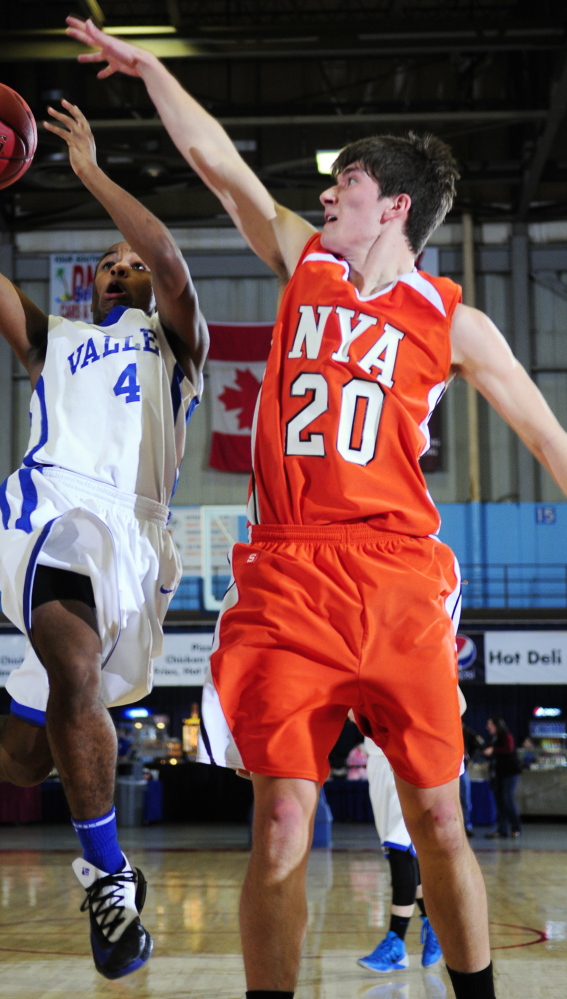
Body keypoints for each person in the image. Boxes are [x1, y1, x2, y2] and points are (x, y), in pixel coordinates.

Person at [66, 18, 567, 999]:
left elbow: (549, 441)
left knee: (436, 820)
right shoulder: (306, 266)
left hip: (394, 580)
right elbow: (220, 170)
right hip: (286, 577)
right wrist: (152, 73)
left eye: (345, 187)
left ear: (395, 208)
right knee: (281, 822)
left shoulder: (454, 321)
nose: (325, 195)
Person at [0, 98, 208, 980]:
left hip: (138, 542)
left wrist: (91, 173)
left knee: (33, 749)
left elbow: (171, 257)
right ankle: (107, 873)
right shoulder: (53, 341)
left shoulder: (177, 345)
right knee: (75, 670)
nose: (125, 268)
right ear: (88, 287)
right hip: (54, 505)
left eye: (132, 264)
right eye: (109, 264)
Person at [359, 733, 442, 974]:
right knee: (398, 849)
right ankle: (435, 926)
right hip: (377, 761)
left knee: (399, 848)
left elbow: (458, 705)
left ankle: (396, 943)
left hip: (409, 758)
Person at [483, 717, 522, 840]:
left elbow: (508, 749)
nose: (488, 727)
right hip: (498, 774)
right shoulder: (493, 738)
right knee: (499, 801)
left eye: (490, 724)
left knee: (507, 798)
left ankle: (516, 828)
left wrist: (493, 750)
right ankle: (502, 829)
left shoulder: (506, 736)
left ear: (496, 725)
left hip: (510, 772)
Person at [459, 722, 483, 837]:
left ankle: (466, 826)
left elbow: (478, 744)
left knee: (465, 799)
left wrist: (469, 756)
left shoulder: (467, 731)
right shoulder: (446, 729)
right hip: (449, 769)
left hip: (462, 768)